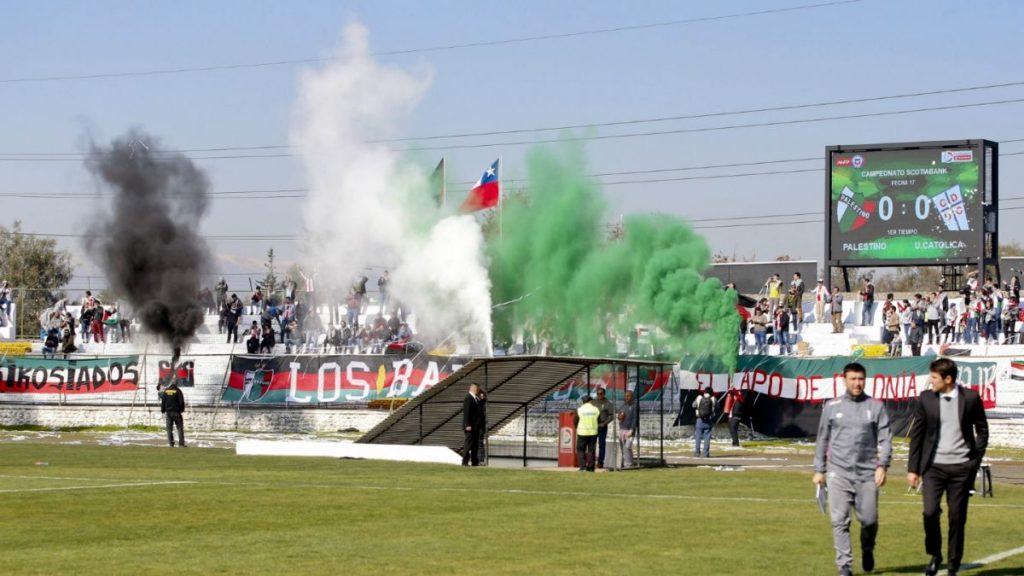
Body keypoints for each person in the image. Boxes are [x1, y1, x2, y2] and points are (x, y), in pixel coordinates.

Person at [907, 358, 989, 576]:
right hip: (933, 468)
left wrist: (975, 460)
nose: (930, 380)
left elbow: (982, 430)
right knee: (930, 512)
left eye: (934, 377)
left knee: (957, 518)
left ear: (948, 379)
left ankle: (953, 565)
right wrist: (913, 469)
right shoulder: (926, 399)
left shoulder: (970, 398)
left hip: (962, 469)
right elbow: (917, 435)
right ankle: (935, 555)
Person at [813, 362, 892, 576]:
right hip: (838, 473)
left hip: (867, 474)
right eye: (853, 379)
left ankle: (868, 548)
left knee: (869, 520)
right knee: (839, 521)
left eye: (860, 379)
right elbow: (822, 439)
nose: (857, 383)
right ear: (844, 380)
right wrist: (819, 469)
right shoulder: (832, 406)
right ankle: (844, 566)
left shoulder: (875, 406)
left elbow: (885, 438)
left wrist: (883, 465)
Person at [574, 394, 600, 472]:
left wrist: (577, 428)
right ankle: (591, 468)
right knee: (591, 450)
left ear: (583, 401)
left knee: (581, 450)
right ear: (590, 401)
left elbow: (575, 421)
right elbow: (599, 420)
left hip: (582, 433)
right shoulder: (596, 409)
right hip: (593, 432)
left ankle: (583, 467)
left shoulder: (579, 410)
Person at [158, 379, 187, 448]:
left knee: (169, 429)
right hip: (176, 412)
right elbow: (181, 402)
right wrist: (181, 410)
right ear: (176, 384)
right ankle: (181, 444)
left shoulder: (166, 391)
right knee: (179, 428)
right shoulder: (178, 391)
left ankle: (171, 443)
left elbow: (163, 402)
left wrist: (162, 410)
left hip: (168, 412)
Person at [461, 383, 484, 466]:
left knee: (475, 445)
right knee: (468, 444)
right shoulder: (468, 398)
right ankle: (465, 461)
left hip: (475, 426)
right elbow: (467, 412)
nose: (478, 391)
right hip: (470, 426)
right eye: (477, 389)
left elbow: (480, 409)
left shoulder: (476, 399)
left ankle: (474, 461)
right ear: (474, 389)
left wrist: (482, 399)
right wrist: (467, 425)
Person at [593, 386, 614, 468]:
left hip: (602, 426)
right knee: (592, 444)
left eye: (601, 393)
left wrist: (605, 423)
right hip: (593, 426)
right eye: (598, 394)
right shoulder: (593, 402)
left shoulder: (608, 403)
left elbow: (611, 416)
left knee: (601, 444)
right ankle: (591, 461)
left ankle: (600, 462)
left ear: (604, 394)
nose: (599, 395)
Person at [692, 387, 715, 458]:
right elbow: (717, 407)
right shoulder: (713, 399)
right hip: (709, 420)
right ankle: (706, 454)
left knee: (698, 437)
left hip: (699, 419)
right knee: (707, 437)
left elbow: (693, 405)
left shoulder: (699, 398)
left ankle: (697, 453)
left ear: (704, 392)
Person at [618, 389, 638, 467]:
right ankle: (629, 463)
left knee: (627, 447)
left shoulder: (634, 406)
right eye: (625, 396)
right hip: (622, 429)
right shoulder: (622, 406)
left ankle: (628, 464)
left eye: (628, 396)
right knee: (623, 447)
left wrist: (632, 430)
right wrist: (620, 417)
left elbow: (635, 419)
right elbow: (619, 417)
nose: (626, 397)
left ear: (632, 397)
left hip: (630, 430)